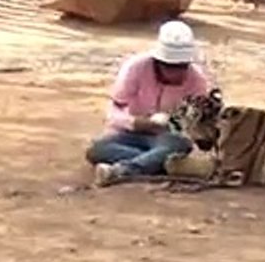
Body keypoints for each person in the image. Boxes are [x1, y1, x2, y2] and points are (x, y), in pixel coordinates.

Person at [87, 20, 210, 186]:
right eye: (170, 66)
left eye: (182, 66)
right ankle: (158, 161)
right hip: (131, 134)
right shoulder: (136, 68)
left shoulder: (197, 80)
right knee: (97, 150)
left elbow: (197, 125)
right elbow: (114, 111)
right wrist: (135, 123)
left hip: (167, 138)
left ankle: (121, 171)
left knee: (177, 145)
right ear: (158, 62)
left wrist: (176, 124)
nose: (176, 72)